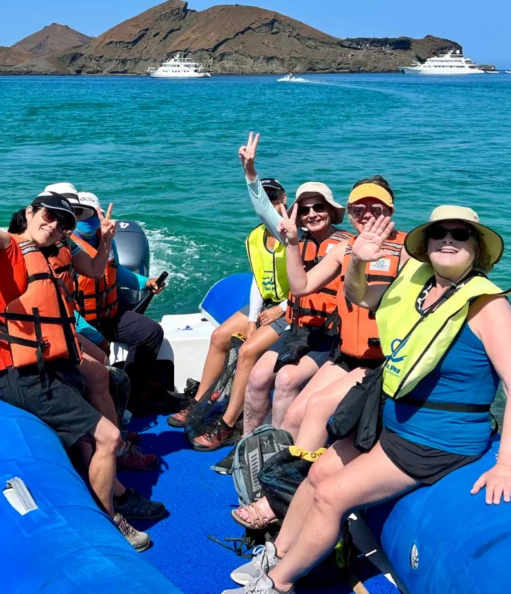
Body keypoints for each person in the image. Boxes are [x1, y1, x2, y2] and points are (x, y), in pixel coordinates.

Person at [224, 206, 511, 593]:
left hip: (436, 439)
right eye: (440, 234)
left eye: (461, 234)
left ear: (477, 250)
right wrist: (356, 261)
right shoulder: (419, 287)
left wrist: (506, 465)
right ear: (427, 244)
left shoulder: (488, 306)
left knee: (332, 495)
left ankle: (277, 584)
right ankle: (279, 551)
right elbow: (359, 296)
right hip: (394, 419)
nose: (449, 240)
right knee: (316, 472)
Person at [0, 159, 153, 550]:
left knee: (110, 386)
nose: (56, 225)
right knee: (106, 437)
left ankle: (109, 486)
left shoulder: (53, 251)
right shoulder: (7, 247)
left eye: (64, 222)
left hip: (51, 364)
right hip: (22, 375)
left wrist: (106, 238)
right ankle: (110, 521)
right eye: (49, 216)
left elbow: (94, 270)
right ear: (29, 212)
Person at [232, 175, 407, 529]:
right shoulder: (346, 249)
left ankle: (278, 503)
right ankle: (285, 487)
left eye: (376, 207)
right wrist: (293, 244)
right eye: (359, 208)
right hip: (347, 354)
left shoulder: (407, 251)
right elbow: (301, 284)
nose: (367, 214)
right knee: (294, 411)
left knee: (313, 409)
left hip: (380, 362)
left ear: (390, 209)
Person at [210, 133, 350, 465]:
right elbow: (264, 211)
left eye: (320, 207)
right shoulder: (293, 237)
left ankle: (277, 458)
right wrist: (250, 173)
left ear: (331, 211)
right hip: (299, 328)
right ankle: (247, 448)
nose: (313, 214)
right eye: (307, 209)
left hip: (329, 337)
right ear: (297, 214)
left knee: (285, 380)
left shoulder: (347, 244)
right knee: (258, 377)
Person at [8, 191, 161, 474]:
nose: (81, 219)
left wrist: (144, 280)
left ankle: (127, 413)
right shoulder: (51, 246)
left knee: (147, 334)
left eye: (86, 212)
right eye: (74, 214)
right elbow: (55, 303)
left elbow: (112, 273)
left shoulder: (93, 242)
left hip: (102, 316)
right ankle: (109, 438)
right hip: (75, 325)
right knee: (101, 364)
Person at [167, 177, 295, 452]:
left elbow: (310, 282)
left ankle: (227, 423)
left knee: (247, 351)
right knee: (219, 336)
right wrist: (252, 319)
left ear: (285, 199)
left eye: (275, 197)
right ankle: (199, 404)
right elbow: (258, 281)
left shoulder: (296, 235)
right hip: (267, 302)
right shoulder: (255, 237)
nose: (271, 203)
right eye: (266, 197)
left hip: (293, 306)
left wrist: (283, 308)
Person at [71, 191, 167, 414]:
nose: (87, 220)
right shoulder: (66, 248)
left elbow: (115, 271)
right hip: (81, 322)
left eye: (92, 213)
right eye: (79, 214)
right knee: (95, 357)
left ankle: (131, 391)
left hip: (110, 314)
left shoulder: (107, 240)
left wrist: (146, 282)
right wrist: (90, 333)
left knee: (151, 331)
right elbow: (61, 301)